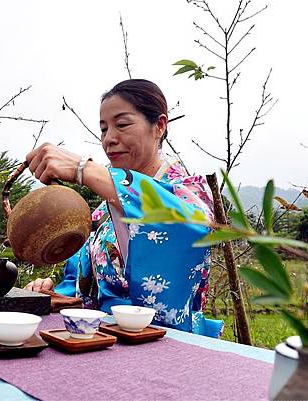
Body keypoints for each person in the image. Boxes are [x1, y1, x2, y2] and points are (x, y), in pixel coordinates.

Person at [24, 79, 220, 335]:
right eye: (104, 129)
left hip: (163, 341)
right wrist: (53, 289)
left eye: (122, 125)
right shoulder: (104, 210)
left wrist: (84, 169)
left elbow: (189, 225)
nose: (109, 139)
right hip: (102, 338)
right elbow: (82, 280)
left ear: (159, 126)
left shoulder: (189, 193)